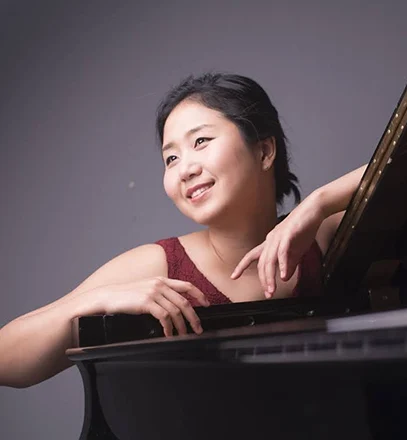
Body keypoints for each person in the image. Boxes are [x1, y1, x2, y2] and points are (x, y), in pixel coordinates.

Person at [0, 73, 366, 388]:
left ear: (265, 150)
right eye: (170, 158)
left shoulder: (325, 233)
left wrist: (319, 203)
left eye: (201, 141)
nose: (184, 169)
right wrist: (92, 301)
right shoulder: (160, 265)